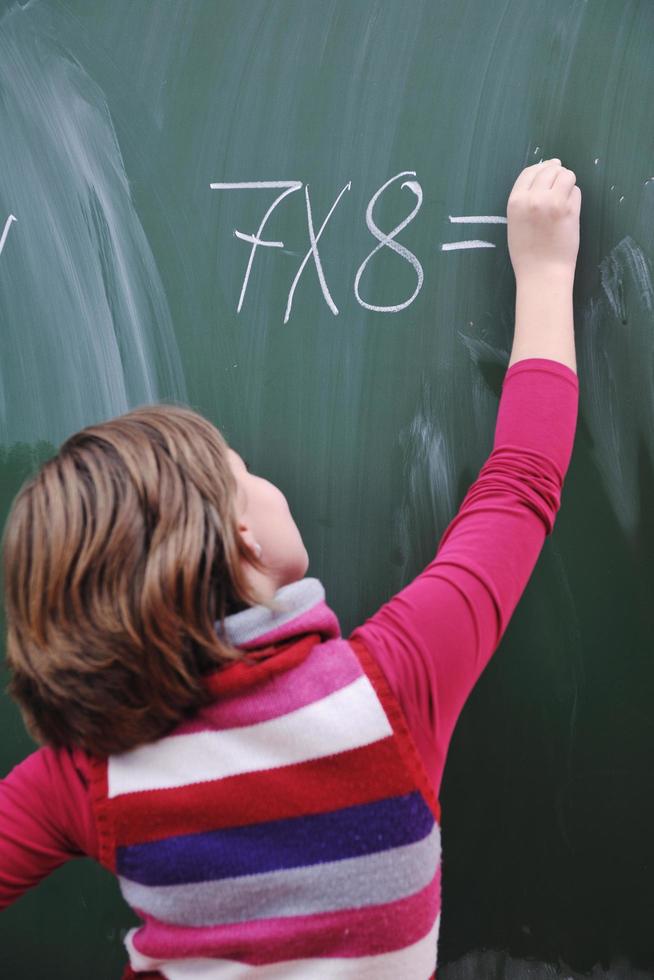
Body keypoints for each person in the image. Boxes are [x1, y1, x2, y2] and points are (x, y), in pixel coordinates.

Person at [0, 158, 581, 979]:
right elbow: (521, 483)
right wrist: (547, 269)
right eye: (243, 468)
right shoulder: (390, 693)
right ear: (242, 539)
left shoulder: (95, 774)